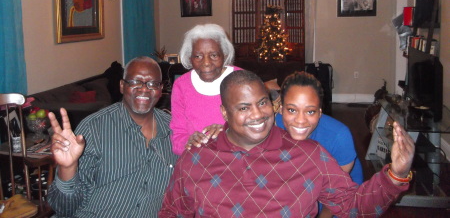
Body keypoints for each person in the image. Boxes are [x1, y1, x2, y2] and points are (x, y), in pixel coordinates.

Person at [159, 70, 415, 217]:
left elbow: (355, 205)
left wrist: (397, 174)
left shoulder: (309, 155)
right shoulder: (195, 160)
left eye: (262, 103)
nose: (258, 114)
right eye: (244, 107)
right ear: (224, 113)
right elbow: (171, 212)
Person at [47, 56, 178, 218]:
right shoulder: (94, 128)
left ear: (161, 89)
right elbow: (64, 209)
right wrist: (67, 168)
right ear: (122, 86)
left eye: (152, 84)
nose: (144, 89)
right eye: (135, 82)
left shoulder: (174, 130)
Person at [276, 71, 363, 217]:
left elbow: (334, 197)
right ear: (280, 110)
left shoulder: (338, 136)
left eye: (310, 112)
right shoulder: (273, 127)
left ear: (320, 112)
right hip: (301, 182)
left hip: (338, 192)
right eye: (292, 110)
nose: (300, 120)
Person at [170, 23, 240, 155]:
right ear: (190, 58)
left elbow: (256, 129)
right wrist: (188, 142)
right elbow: (177, 138)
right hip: (197, 163)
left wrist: (228, 133)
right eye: (198, 56)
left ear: (224, 55)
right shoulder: (181, 85)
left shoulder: (241, 80)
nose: (206, 63)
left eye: (214, 55)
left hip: (236, 161)